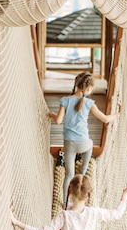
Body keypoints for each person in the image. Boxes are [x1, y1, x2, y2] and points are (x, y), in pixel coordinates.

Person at [48, 73, 120, 208]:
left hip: (69, 144)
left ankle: (65, 204)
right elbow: (104, 119)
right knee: (89, 149)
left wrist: (52, 114)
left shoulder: (65, 100)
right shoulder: (89, 103)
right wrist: (116, 115)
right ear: (88, 88)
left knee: (68, 174)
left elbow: (58, 121)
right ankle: (82, 173)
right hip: (84, 145)